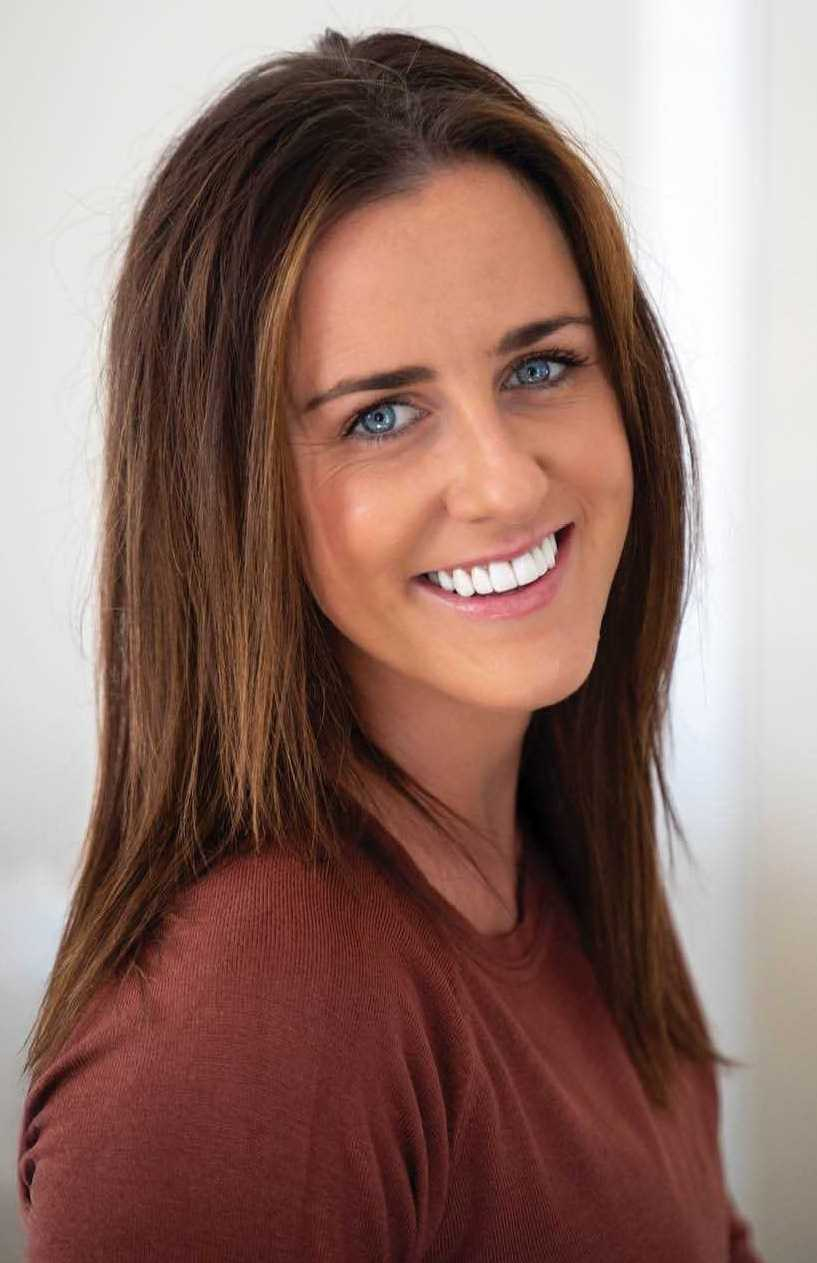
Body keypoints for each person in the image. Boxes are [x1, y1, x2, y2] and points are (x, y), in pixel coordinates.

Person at [16, 26, 765, 1261]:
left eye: (541, 366)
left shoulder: (559, 871)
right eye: (381, 415)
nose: (503, 481)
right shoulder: (253, 1025)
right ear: (227, 497)